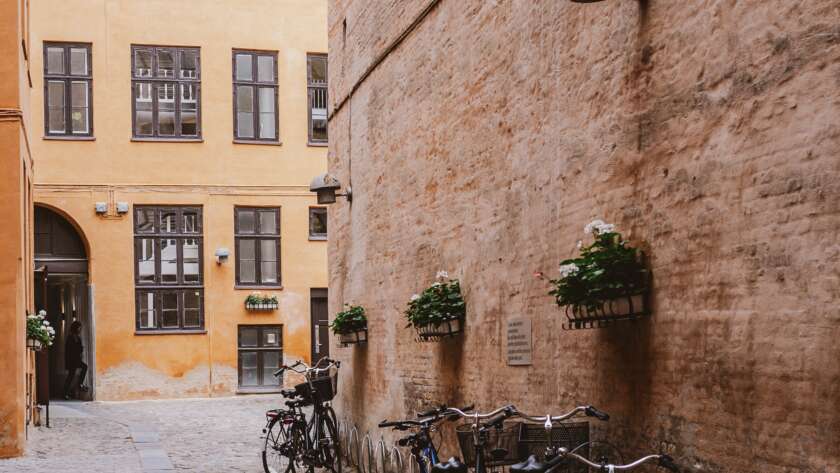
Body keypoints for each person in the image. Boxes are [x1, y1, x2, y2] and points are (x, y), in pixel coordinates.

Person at [63, 321, 88, 400]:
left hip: (76, 359)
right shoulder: (70, 337)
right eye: (79, 327)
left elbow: (80, 348)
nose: (80, 329)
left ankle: (79, 384)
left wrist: (80, 349)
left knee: (84, 367)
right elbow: (68, 350)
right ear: (76, 328)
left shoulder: (78, 337)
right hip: (71, 360)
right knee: (71, 376)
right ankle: (65, 393)